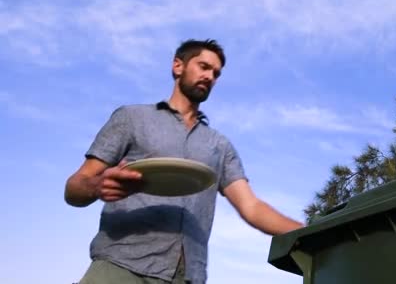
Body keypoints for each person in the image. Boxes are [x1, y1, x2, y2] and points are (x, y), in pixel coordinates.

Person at [64, 39, 304, 284]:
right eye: (203, 66)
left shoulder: (219, 146)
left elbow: (252, 207)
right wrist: (96, 186)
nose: (210, 76)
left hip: (187, 276)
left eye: (216, 73)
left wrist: (311, 232)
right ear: (178, 66)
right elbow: (74, 187)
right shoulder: (132, 118)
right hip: (121, 266)